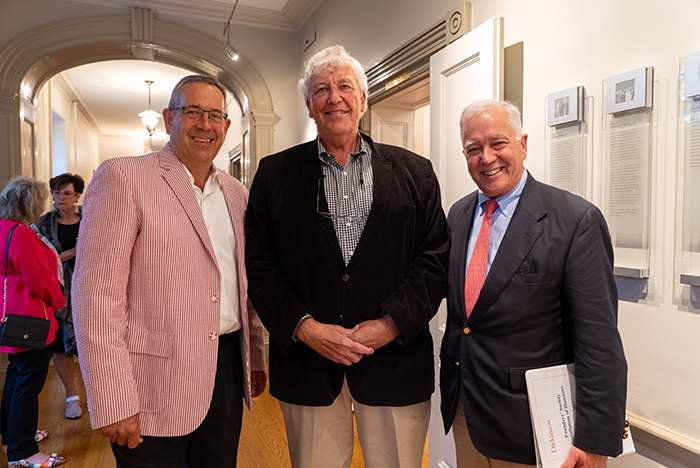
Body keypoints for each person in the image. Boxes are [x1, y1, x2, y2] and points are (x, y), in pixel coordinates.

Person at [246, 45, 450, 468]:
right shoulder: (274, 174)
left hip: (394, 360)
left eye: (344, 86)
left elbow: (434, 259)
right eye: (321, 89)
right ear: (308, 105)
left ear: (362, 98)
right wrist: (305, 329)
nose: (333, 97)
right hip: (307, 362)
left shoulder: (416, 172)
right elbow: (261, 266)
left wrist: (391, 324)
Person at [73, 75, 267, 468]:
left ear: (227, 127)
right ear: (168, 118)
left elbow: (242, 284)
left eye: (215, 115)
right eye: (192, 111)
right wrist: (113, 398)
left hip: (225, 369)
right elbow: (96, 296)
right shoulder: (123, 177)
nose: (204, 124)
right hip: (152, 382)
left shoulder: (237, 193)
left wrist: (256, 359)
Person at [440, 99, 628, 468]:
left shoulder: (575, 221)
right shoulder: (459, 214)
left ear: (523, 144)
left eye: (498, 143)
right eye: (473, 149)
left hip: (534, 427)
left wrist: (594, 440)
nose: (487, 157)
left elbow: (599, 342)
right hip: (466, 411)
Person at [0, 176, 66, 467]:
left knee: (16, 378)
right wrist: (61, 301)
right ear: (29, 203)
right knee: (28, 383)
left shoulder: (4, 228)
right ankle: (22, 451)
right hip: (32, 317)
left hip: (12, 314)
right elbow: (39, 279)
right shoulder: (21, 233)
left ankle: (11, 436)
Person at [37, 172, 85, 420]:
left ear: (77, 196)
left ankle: (98, 392)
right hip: (57, 291)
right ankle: (71, 395)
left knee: (91, 341)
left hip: (88, 288)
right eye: (56, 192)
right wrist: (74, 251)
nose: (60, 197)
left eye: (66, 193)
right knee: (60, 345)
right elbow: (42, 259)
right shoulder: (44, 223)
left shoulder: (90, 220)